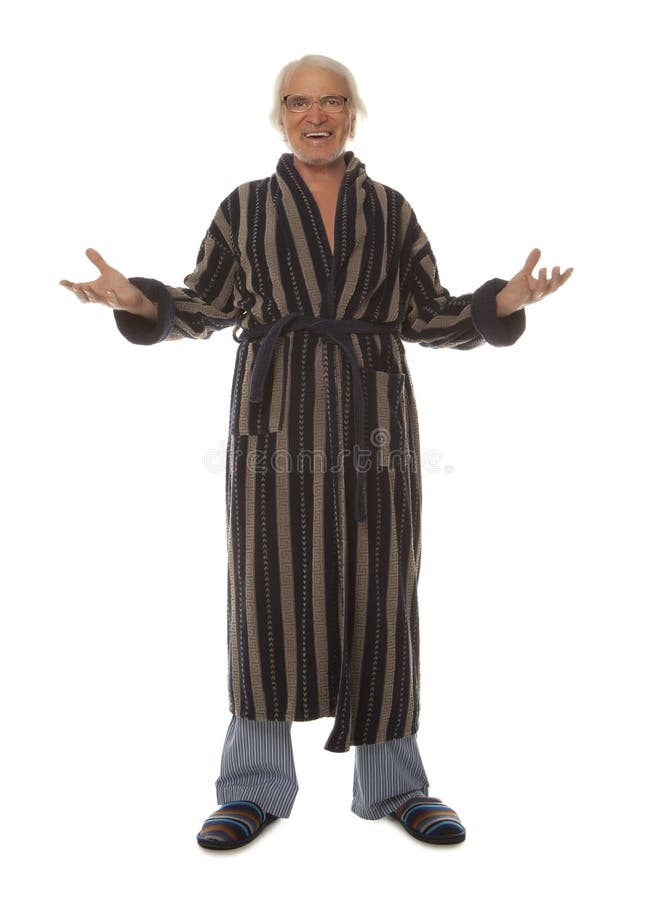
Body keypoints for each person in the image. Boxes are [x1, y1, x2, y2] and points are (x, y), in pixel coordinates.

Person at [60, 54, 573, 850]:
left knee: (382, 585)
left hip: (374, 417)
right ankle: (253, 787)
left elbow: (428, 314)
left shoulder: (391, 211)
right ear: (281, 116)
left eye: (332, 101)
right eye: (299, 102)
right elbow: (206, 304)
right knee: (267, 587)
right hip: (274, 416)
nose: (316, 115)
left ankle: (397, 785)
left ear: (352, 113)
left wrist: (501, 302)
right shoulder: (245, 207)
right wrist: (137, 300)